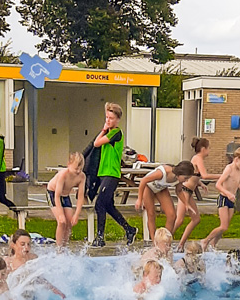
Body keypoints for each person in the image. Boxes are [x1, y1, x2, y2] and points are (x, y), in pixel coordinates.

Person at [91, 102, 137, 247]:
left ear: (117, 119)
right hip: (103, 173)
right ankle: (129, 229)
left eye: (111, 118)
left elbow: (96, 143)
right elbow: (96, 143)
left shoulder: (116, 133)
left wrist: (104, 130)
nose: (108, 121)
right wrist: (103, 130)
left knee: (99, 204)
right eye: (106, 117)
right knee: (108, 206)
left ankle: (100, 237)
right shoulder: (108, 132)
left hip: (111, 174)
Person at [175, 138, 220, 251]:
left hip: (189, 192)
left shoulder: (197, 159)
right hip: (184, 190)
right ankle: (163, 239)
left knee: (196, 219)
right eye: (209, 148)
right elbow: (204, 175)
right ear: (203, 149)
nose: (209, 150)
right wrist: (221, 175)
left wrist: (200, 184)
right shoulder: (198, 158)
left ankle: (180, 245)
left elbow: (194, 175)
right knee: (179, 220)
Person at [202, 150, 240, 250]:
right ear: (236, 159)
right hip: (223, 198)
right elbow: (218, 184)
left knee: (225, 227)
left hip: (231, 200)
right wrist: (228, 193)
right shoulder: (229, 169)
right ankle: (205, 240)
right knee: (223, 226)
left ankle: (213, 244)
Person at [135, 161, 194, 239]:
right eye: (185, 178)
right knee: (151, 214)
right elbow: (143, 181)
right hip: (148, 187)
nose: (186, 181)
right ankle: (154, 241)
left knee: (172, 215)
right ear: (179, 173)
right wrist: (139, 199)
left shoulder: (178, 179)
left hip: (161, 188)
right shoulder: (162, 173)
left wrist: (186, 204)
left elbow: (179, 191)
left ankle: (165, 240)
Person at [45, 152, 86, 248]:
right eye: (76, 168)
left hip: (65, 195)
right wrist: (60, 214)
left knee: (69, 222)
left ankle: (65, 246)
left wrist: (76, 214)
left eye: (80, 169)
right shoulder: (63, 175)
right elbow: (57, 196)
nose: (78, 171)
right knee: (61, 221)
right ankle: (59, 249)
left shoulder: (81, 176)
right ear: (68, 165)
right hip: (53, 193)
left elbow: (80, 197)